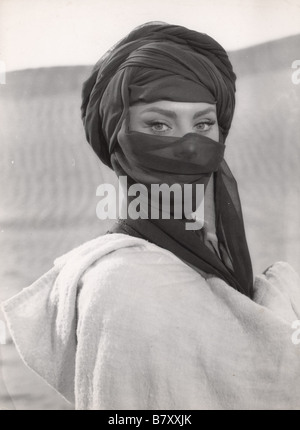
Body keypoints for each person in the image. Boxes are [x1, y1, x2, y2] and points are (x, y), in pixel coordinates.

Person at [2, 22, 300, 410]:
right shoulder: (122, 285)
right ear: (118, 138)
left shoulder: (210, 252)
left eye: (203, 124)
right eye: (158, 124)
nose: (189, 147)